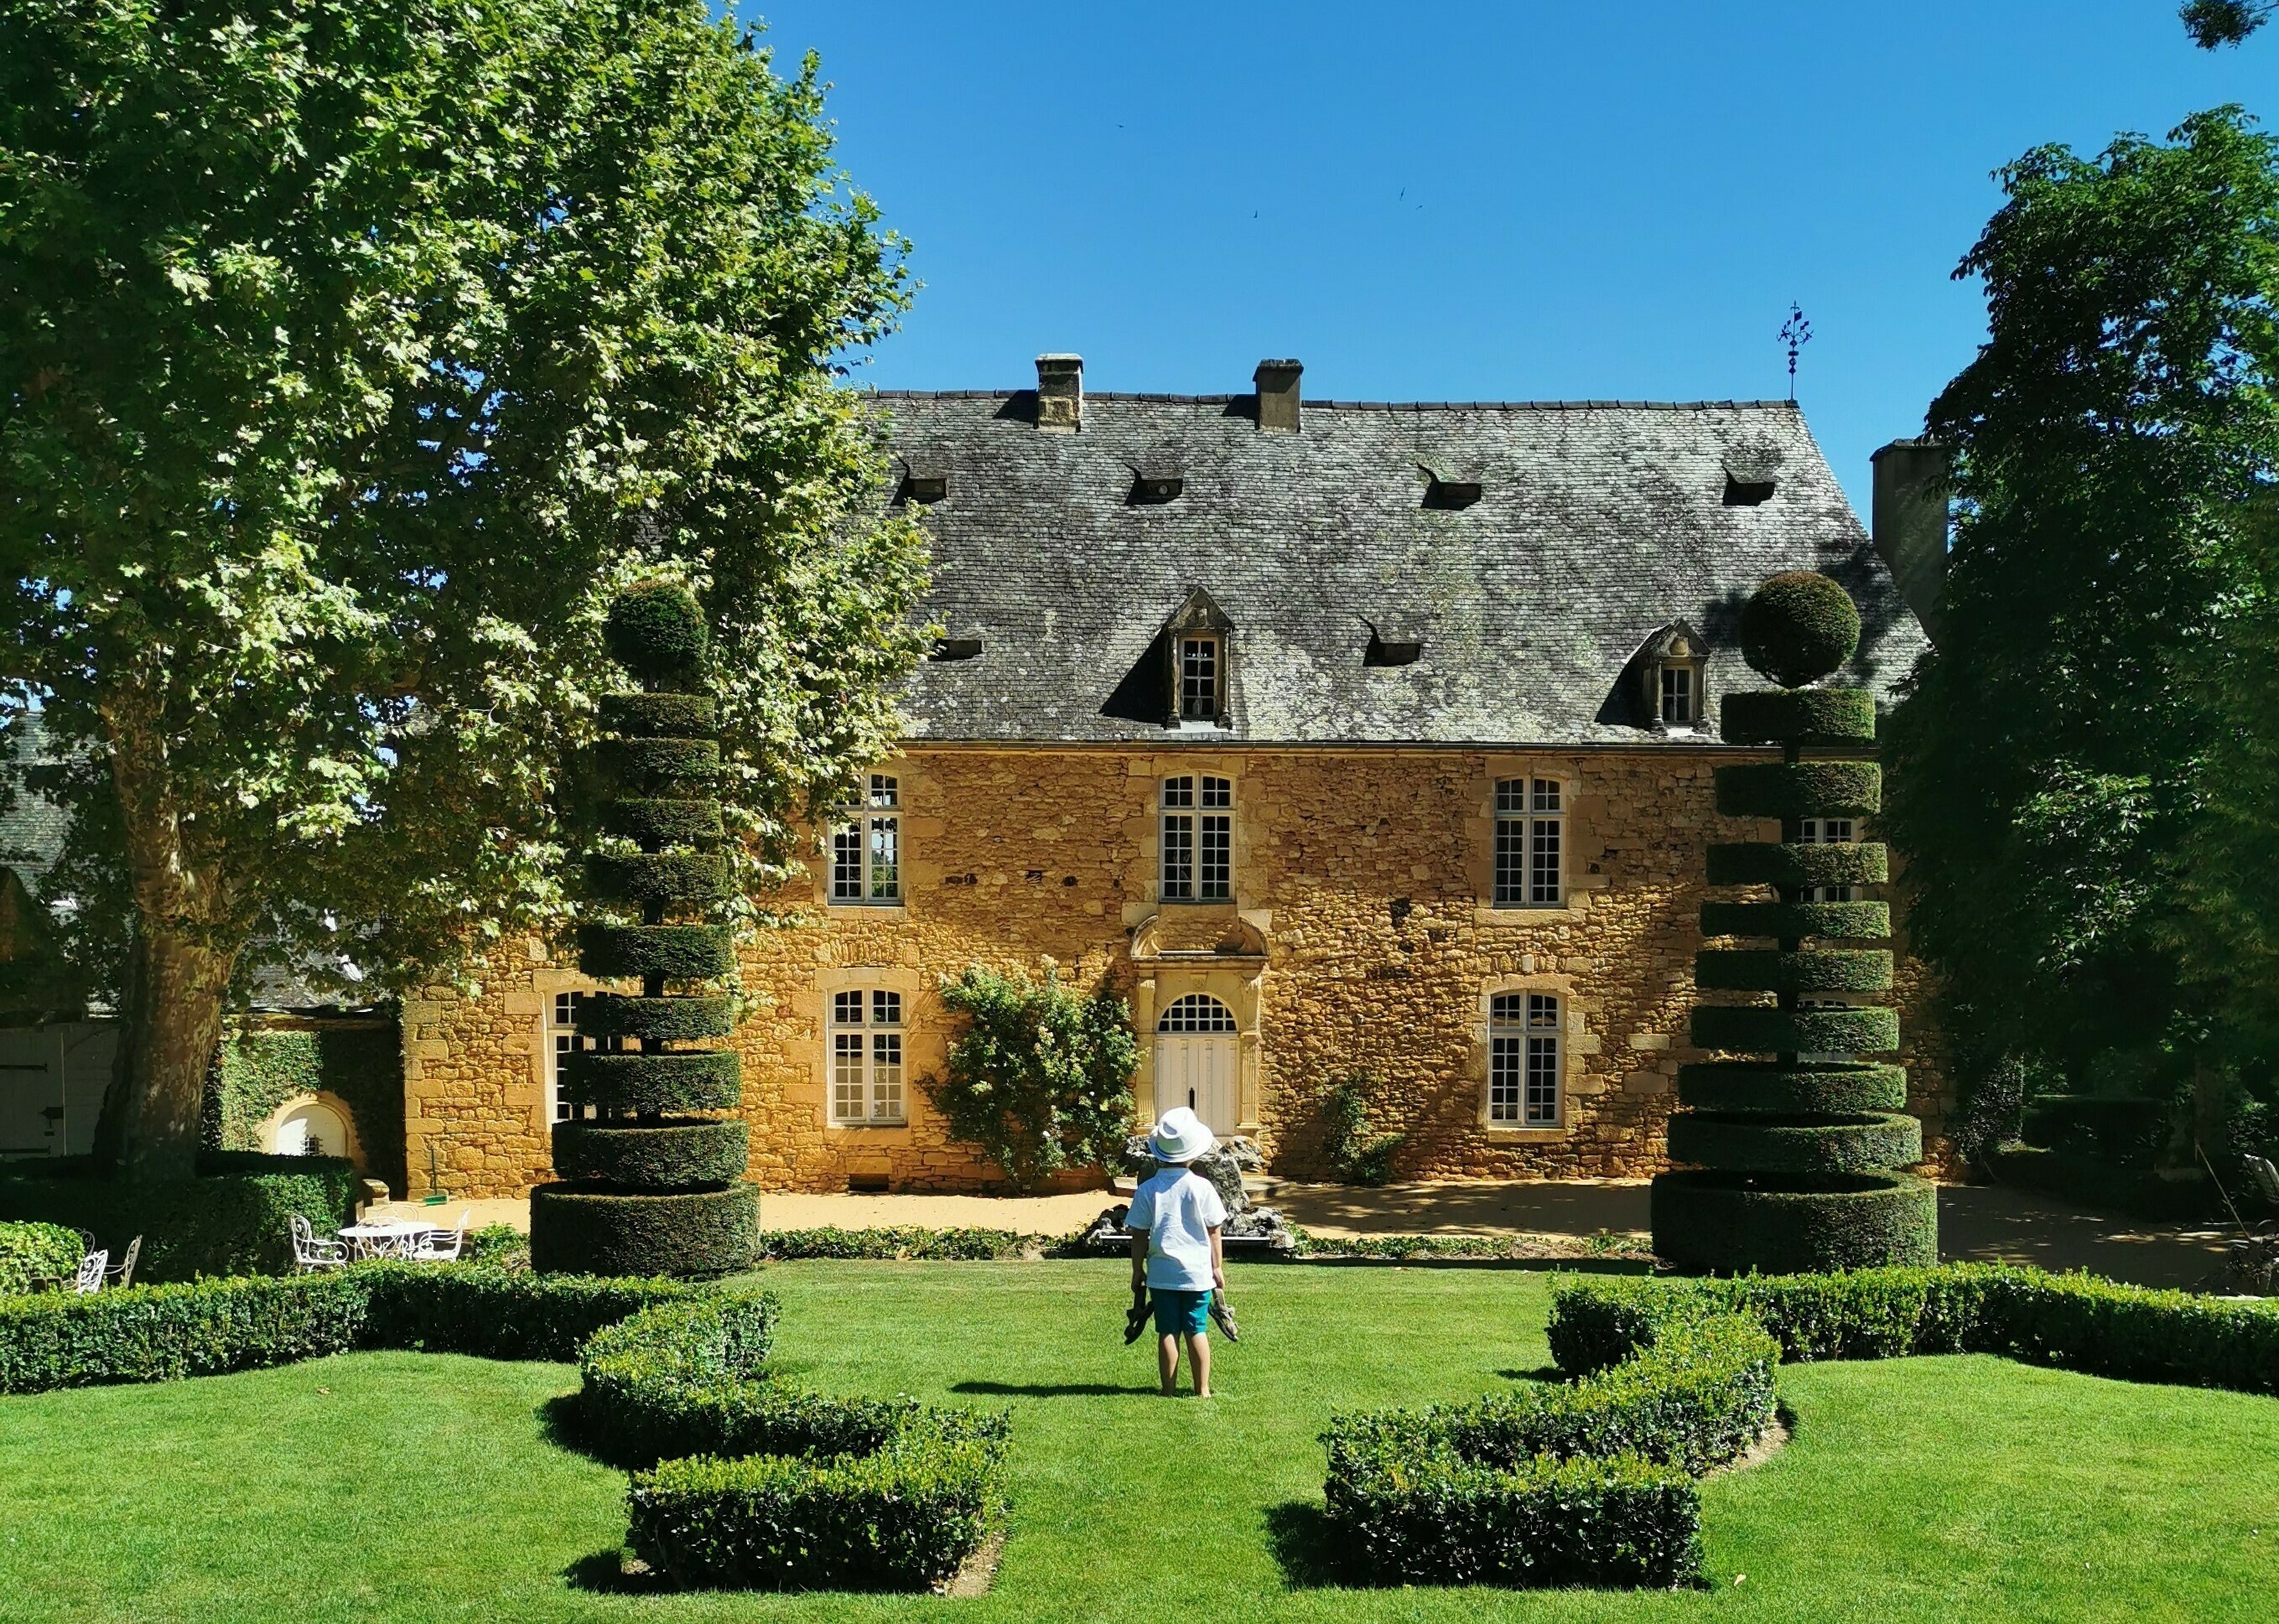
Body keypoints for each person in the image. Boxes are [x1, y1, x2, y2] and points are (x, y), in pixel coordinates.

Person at [1124, 1106, 1228, 1398]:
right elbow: (1214, 1231)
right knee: (1197, 1329)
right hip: (1198, 1274)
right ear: (1193, 1153)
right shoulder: (1202, 1187)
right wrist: (1217, 1267)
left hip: (1161, 1273)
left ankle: (1168, 1390)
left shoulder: (1147, 1190)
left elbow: (1139, 1235)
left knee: (1167, 1331)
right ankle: (1202, 1390)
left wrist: (1137, 1270)